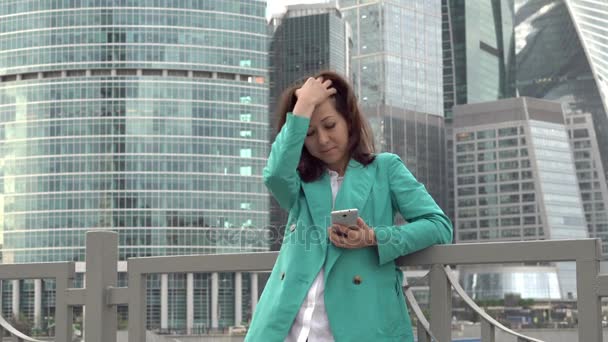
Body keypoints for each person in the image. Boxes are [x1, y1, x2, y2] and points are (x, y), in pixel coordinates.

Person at [245, 71, 453, 341]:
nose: (322, 140)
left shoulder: (385, 168)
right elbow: (274, 175)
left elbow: (439, 226)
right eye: (309, 132)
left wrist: (374, 237)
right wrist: (303, 105)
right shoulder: (300, 184)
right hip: (290, 328)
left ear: (349, 120)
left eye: (330, 125)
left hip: (361, 324)